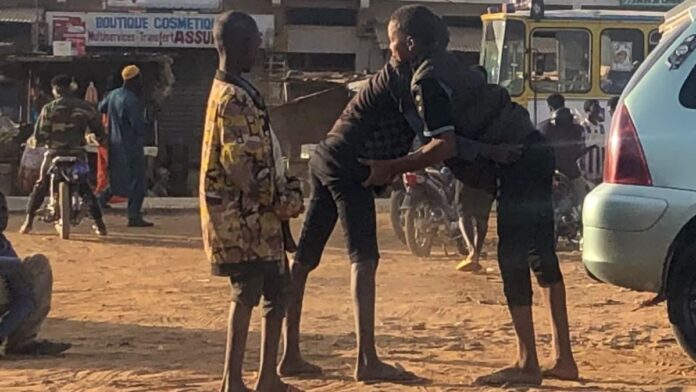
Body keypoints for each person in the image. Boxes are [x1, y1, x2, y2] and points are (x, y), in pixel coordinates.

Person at [361, 5, 578, 386]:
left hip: (519, 165)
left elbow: (442, 145)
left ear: (410, 44)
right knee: (541, 256)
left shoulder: (426, 80)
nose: (390, 52)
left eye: (393, 45)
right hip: (535, 151)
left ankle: (527, 363)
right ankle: (564, 359)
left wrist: (392, 166)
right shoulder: (453, 65)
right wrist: (486, 151)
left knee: (511, 258)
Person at [279, 58, 420, 382]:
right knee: (364, 259)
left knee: (303, 260)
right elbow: (429, 135)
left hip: (325, 157)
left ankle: (289, 355)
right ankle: (367, 359)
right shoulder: (405, 82)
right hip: (351, 168)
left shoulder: (385, 79)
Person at [200, 11, 304, 392]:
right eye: (256, 43)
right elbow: (243, 167)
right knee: (247, 294)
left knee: (276, 293)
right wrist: (286, 200)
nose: (260, 49)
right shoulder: (235, 99)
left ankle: (265, 378)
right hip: (244, 222)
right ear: (242, 45)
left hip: (251, 222)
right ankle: (235, 380)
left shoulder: (229, 91)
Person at [19, 75, 107, 236]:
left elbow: (40, 135)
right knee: (85, 187)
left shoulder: (49, 109)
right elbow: (99, 130)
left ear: (55, 90)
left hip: (54, 155)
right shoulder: (86, 108)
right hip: (78, 155)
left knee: (41, 184)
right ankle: (100, 225)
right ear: (71, 88)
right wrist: (96, 139)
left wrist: (38, 141)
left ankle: (28, 222)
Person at [0, 192, 71, 356]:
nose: (2, 216)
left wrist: (2, 332)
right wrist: (13, 265)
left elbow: (24, 299)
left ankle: (21, 341)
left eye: (4, 210)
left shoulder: (4, 245)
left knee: (38, 265)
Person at [98, 65, 153, 228]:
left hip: (115, 145)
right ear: (135, 80)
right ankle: (134, 215)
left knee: (116, 178)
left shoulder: (113, 95)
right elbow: (137, 126)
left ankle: (97, 202)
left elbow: (101, 108)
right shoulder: (132, 100)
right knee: (138, 182)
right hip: (131, 146)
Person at [454, 65, 495, 273]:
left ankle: (472, 252)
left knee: (464, 212)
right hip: (488, 167)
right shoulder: (497, 103)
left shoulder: (462, 104)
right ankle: (475, 252)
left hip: (468, 167)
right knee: (481, 216)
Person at [545, 108, 588, 206]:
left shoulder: (548, 129)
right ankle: (581, 214)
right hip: (571, 171)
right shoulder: (576, 130)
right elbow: (579, 150)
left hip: (550, 169)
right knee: (582, 194)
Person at [580, 99, 606, 188]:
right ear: (587, 111)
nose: (597, 109)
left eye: (598, 107)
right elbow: (580, 149)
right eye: (594, 107)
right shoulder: (583, 127)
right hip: (587, 173)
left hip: (600, 173)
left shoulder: (601, 127)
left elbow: (603, 148)